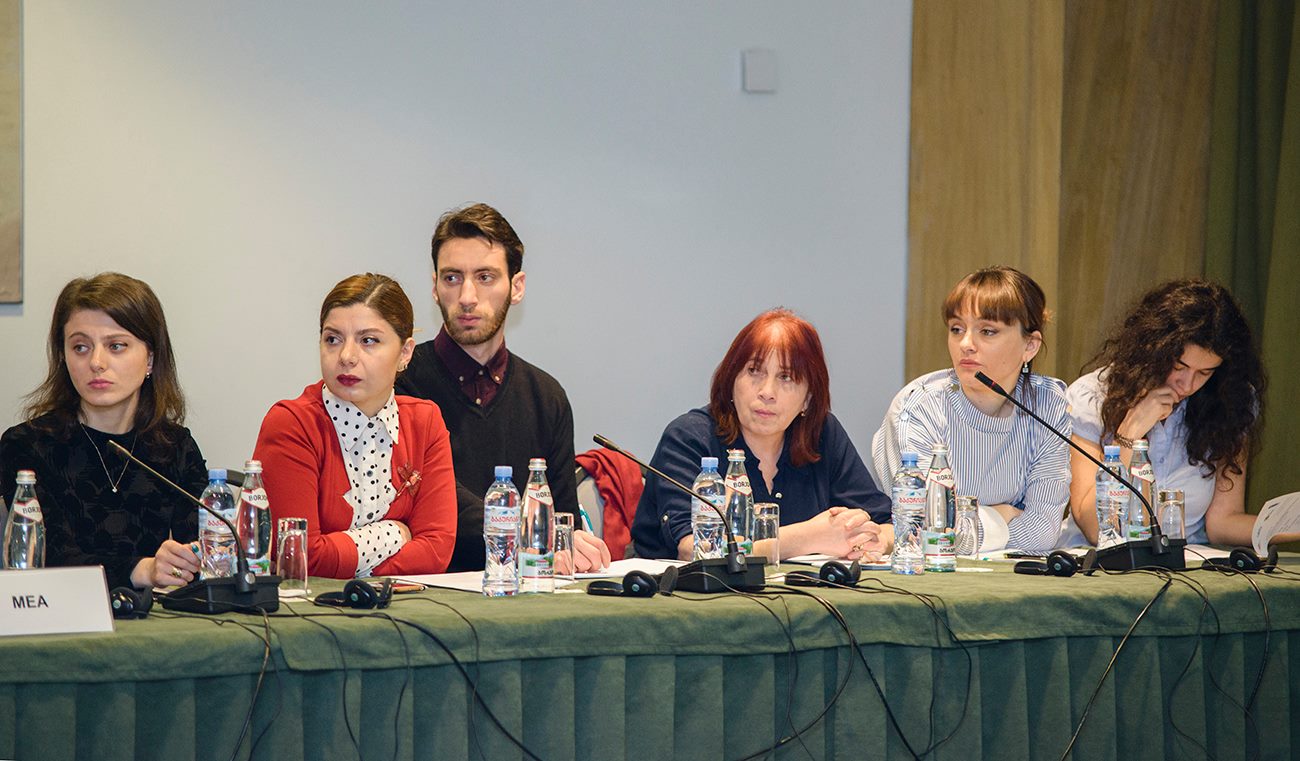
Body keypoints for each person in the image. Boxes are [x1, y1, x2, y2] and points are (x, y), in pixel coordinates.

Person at [396, 203, 610, 573]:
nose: (467, 296)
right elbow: (431, 495)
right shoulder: (400, 381)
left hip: (525, 590)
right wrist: (527, 532)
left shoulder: (547, 397)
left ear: (517, 287)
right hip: (430, 588)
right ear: (434, 287)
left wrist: (574, 544)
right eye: (452, 278)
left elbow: (563, 521)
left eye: (485, 277)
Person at [631, 308, 892, 561]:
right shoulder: (689, 438)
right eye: (754, 371)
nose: (767, 392)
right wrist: (810, 537)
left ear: (808, 399)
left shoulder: (821, 434)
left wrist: (870, 539)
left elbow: (888, 525)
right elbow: (695, 549)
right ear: (731, 380)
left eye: (786, 377)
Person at [0, 273, 206, 589]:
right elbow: (48, 556)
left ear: (150, 358)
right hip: (62, 613)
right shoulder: (27, 446)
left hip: (154, 615)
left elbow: (205, 552)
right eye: (80, 347)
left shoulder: (175, 446)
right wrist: (144, 570)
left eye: (116, 346)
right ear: (63, 357)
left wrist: (186, 560)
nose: (96, 362)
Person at [254, 273, 457, 578]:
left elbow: (436, 551)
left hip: (403, 603)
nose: (346, 356)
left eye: (368, 340)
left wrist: (349, 563)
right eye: (332, 339)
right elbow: (299, 557)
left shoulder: (425, 422)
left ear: (405, 353)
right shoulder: (292, 424)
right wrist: (395, 533)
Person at [1067, 279, 1291, 547]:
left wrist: (1288, 524)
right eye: (1179, 366)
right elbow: (1093, 527)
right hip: (1097, 562)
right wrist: (1129, 432)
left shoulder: (1230, 403)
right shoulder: (1092, 395)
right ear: (1152, 350)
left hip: (1185, 562)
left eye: (1204, 372)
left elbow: (1223, 522)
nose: (1187, 385)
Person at [872, 266, 1069, 553]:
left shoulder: (1048, 405)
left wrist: (966, 525)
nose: (966, 344)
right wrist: (1003, 514)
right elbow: (929, 534)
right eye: (957, 329)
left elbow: (1043, 533)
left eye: (987, 331)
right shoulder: (920, 408)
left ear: (1030, 345)